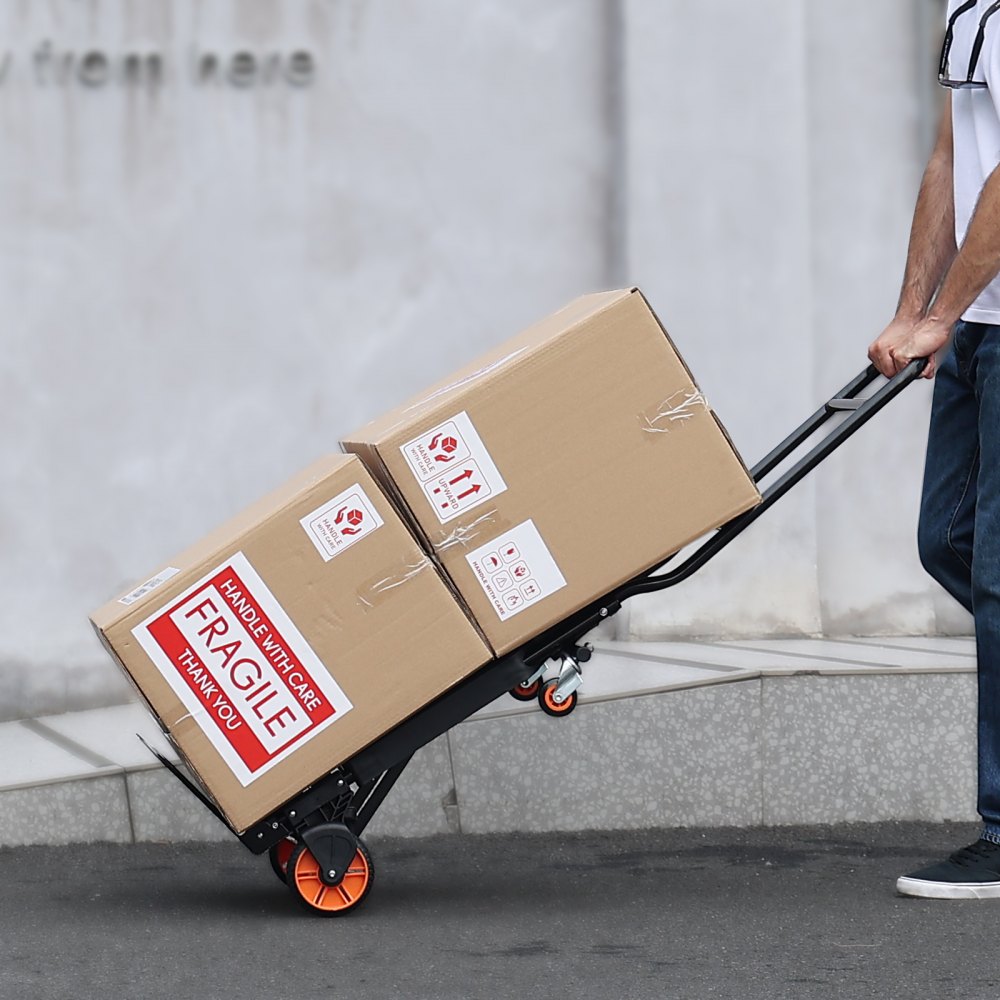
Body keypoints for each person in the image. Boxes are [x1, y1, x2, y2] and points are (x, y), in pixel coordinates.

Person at [869, 0, 1000, 899]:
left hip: (983, 314)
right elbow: (952, 158)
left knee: (999, 570)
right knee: (945, 540)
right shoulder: (966, 5)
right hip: (980, 325)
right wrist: (915, 313)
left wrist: (943, 312)